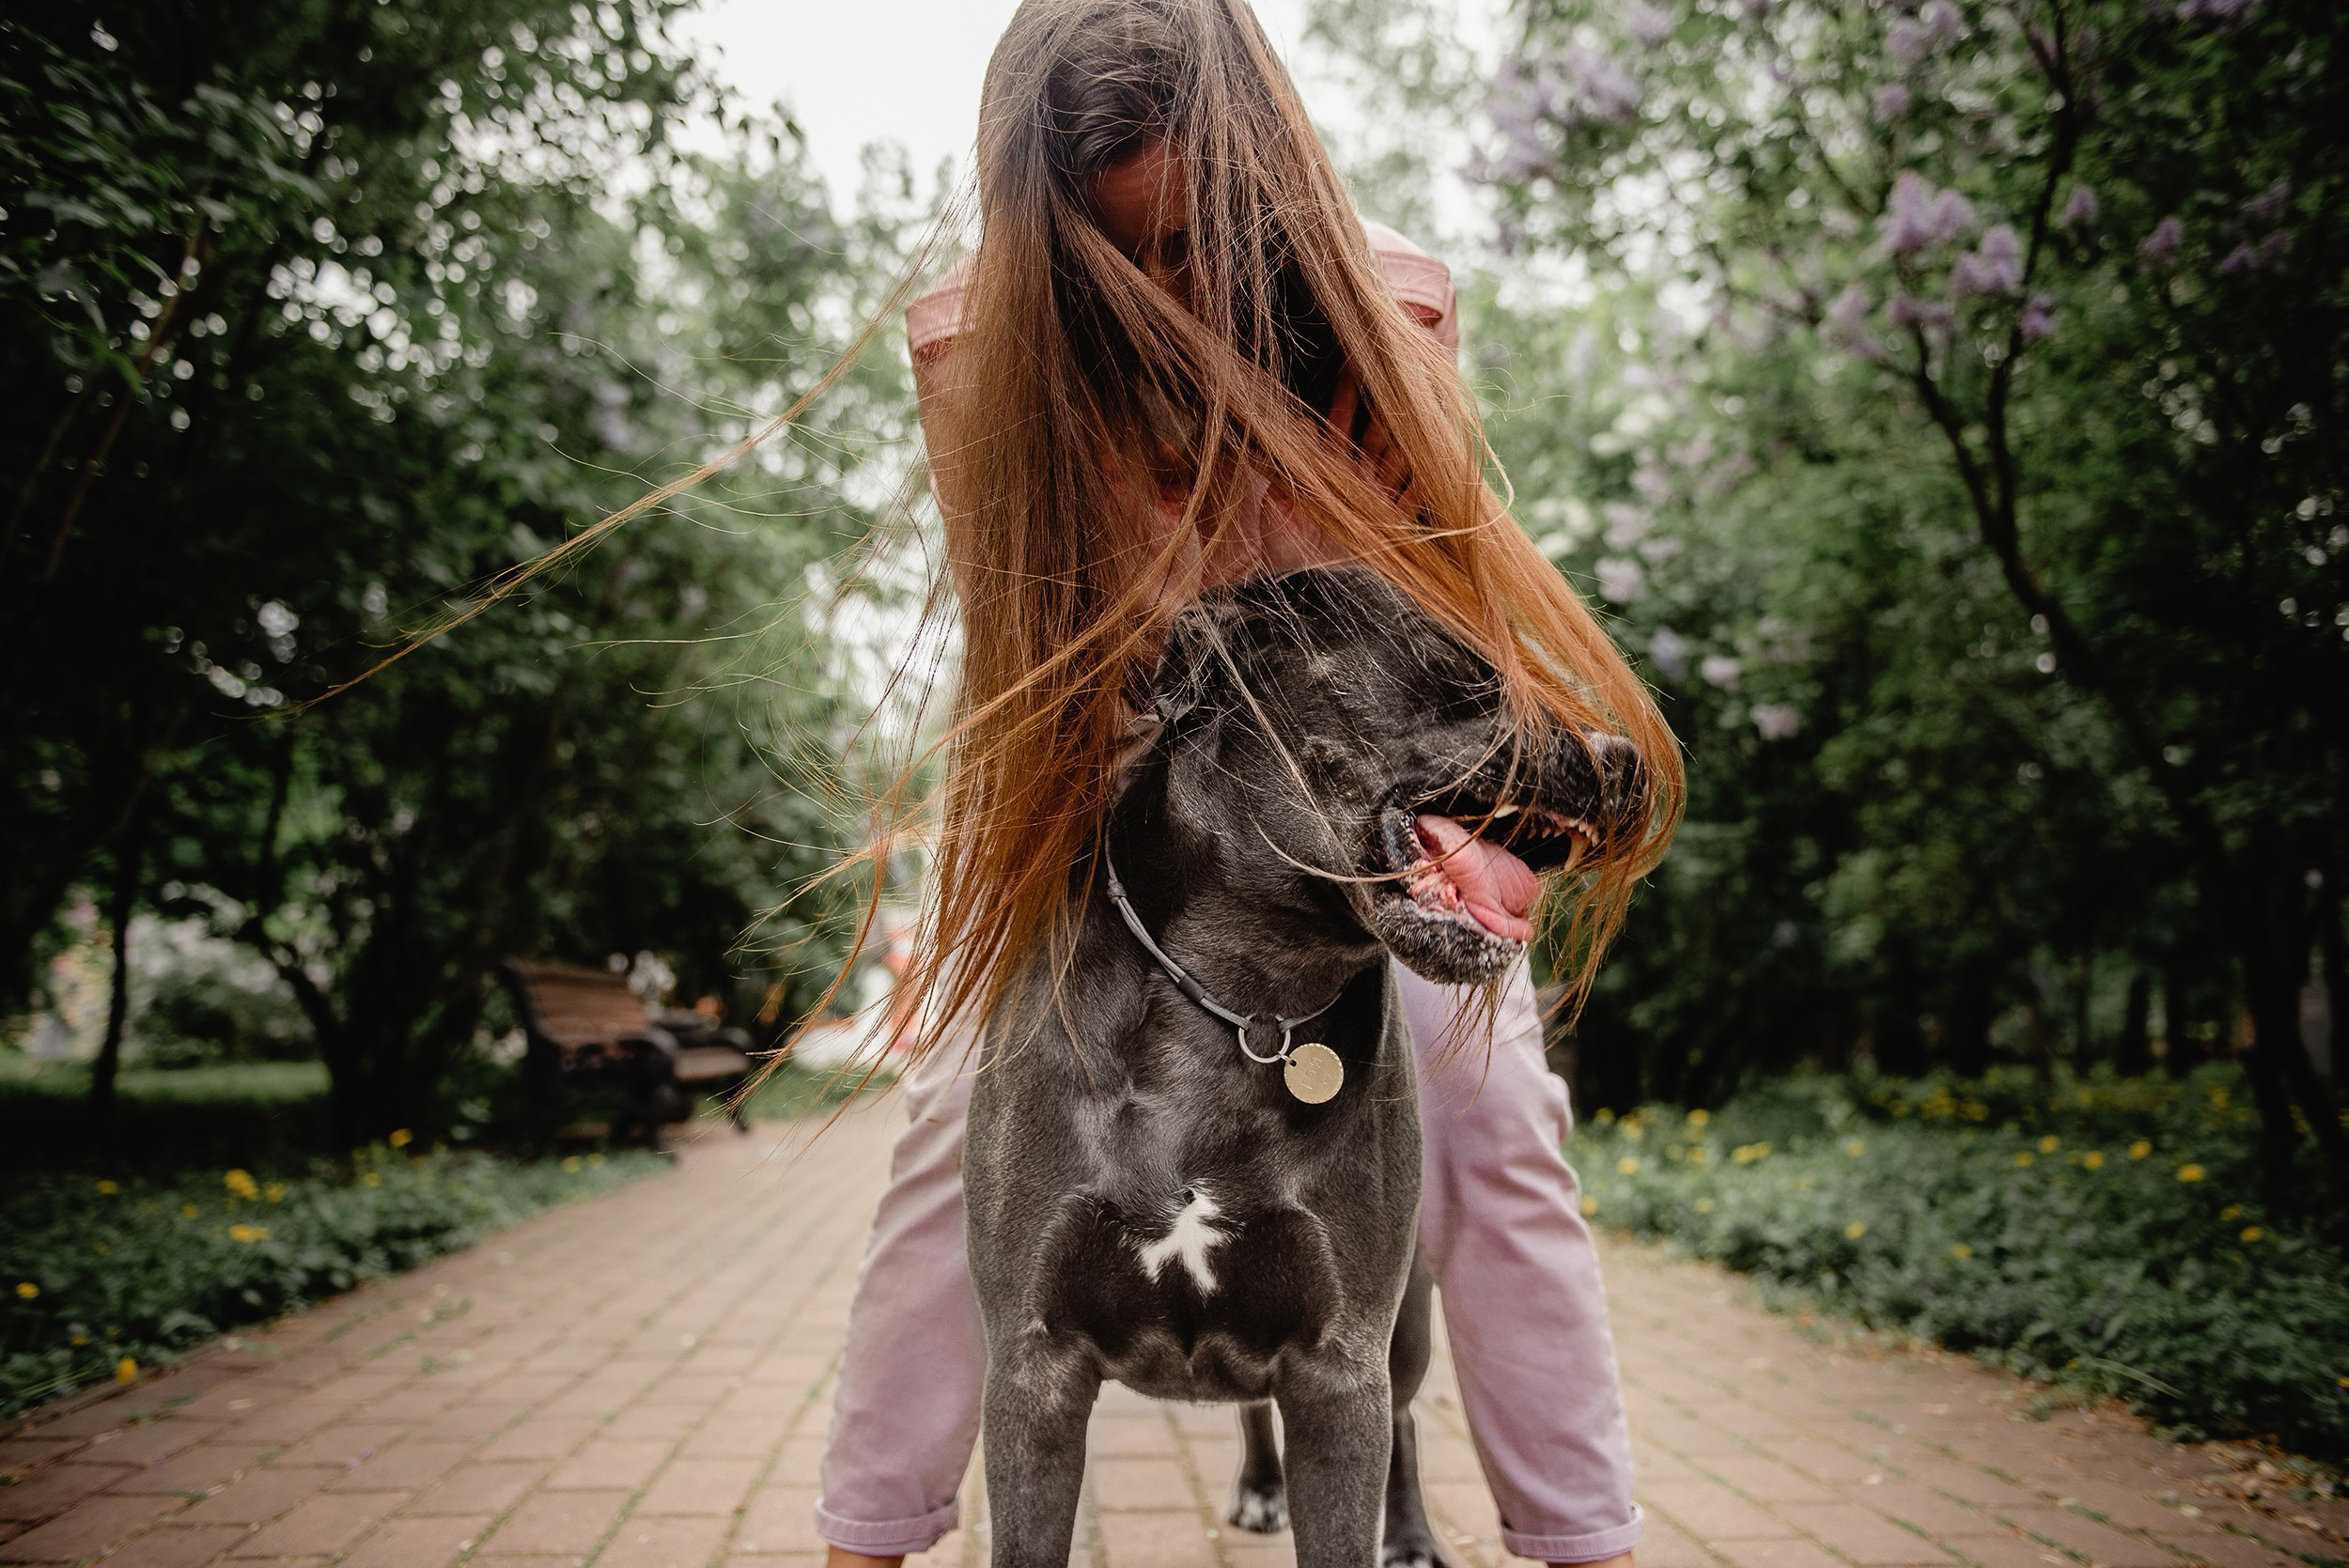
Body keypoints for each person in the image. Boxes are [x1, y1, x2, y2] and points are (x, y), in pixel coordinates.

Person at [814, 3, 1683, 1566]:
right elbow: (1033, 692)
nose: (1174, 293)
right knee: (953, 1117)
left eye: (1203, 238)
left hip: (1357, 817)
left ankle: (1590, 1545)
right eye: (1126, 256)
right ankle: (862, 1541)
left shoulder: (1393, 311)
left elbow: (1424, 638)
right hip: (1121, 813)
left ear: (1267, 181)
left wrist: (1436, 839)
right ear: (1059, 238)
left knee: (1496, 1114)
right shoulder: (972, 350)